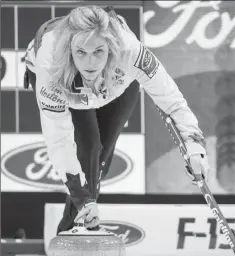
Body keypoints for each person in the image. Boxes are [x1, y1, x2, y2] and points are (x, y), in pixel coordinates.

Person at [24, 5, 210, 234]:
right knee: (89, 147)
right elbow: (59, 142)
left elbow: (171, 100)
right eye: (81, 52)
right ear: (70, 48)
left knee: (102, 158)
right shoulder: (50, 65)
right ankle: (77, 227)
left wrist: (195, 147)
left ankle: (82, 216)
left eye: (98, 51)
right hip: (68, 84)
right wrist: (84, 199)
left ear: (111, 48)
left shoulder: (131, 52)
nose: (90, 63)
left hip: (114, 82)